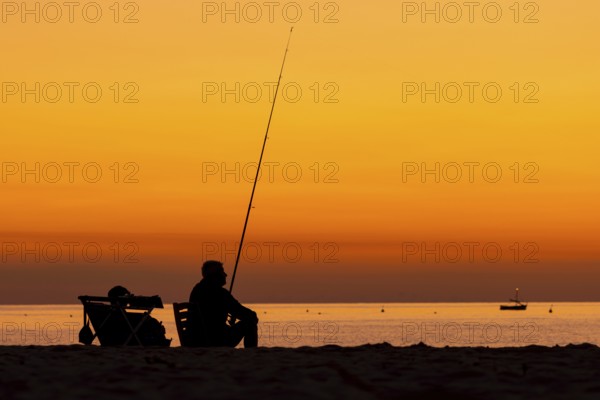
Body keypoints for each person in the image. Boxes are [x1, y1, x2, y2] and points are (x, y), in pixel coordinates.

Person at [189, 260, 258, 347]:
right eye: (222, 271)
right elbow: (243, 313)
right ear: (214, 276)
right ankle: (250, 354)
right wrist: (252, 315)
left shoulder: (197, 289)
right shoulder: (220, 293)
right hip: (215, 340)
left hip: (196, 339)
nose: (225, 275)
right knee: (249, 323)